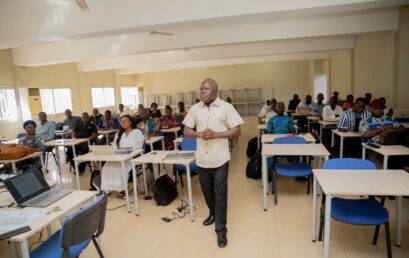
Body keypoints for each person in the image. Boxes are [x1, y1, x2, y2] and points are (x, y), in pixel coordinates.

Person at [183, 78, 243, 248]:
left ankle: (221, 229)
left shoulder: (226, 107)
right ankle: (212, 212)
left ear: (215, 91)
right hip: (202, 159)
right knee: (207, 191)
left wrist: (216, 135)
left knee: (221, 194)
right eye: (201, 88)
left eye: (207, 89)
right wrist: (199, 134)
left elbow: (237, 130)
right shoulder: (195, 109)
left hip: (220, 159)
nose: (202, 91)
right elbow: (187, 130)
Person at [101, 115, 144, 196]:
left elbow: (138, 146)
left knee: (119, 168)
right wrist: (117, 149)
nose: (123, 123)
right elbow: (114, 146)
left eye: (125, 121)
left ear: (131, 122)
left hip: (130, 156)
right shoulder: (119, 133)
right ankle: (108, 189)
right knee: (106, 167)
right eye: (121, 121)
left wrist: (124, 149)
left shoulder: (137, 132)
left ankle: (123, 189)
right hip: (118, 156)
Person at [359, 99, 405, 167]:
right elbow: (365, 135)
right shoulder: (365, 120)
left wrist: (388, 131)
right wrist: (381, 129)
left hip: (393, 143)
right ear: (371, 109)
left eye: (380, 108)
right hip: (375, 145)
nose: (378, 110)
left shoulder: (389, 119)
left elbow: (403, 129)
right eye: (376, 108)